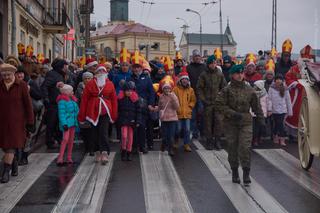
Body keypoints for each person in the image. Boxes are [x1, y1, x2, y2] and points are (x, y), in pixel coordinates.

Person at [215, 64, 264, 186]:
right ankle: (235, 171)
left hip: (245, 122)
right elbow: (219, 105)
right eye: (237, 73)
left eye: (242, 73)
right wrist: (232, 113)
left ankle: (246, 172)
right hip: (231, 123)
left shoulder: (249, 90)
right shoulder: (226, 90)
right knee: (232, 147)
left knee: (245, 147)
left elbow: (256, 106)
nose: (240, 75)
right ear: (232, 75)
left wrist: (261, 120)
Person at [0, 64, 34, 183]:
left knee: (10, 147)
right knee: (5, 147)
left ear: (13, 74)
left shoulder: (22, 85)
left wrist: (30, 122)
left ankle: (5, 172)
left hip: (17, 123)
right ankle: (14, 162)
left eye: (8, 75)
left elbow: (28, 105)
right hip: (2, 123)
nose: (6, 77)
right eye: (3, 75)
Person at [78, 65, 118, 165]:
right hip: (92, 112)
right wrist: (82, 115)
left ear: (106, 73)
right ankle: (97, 152)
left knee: (103, 132)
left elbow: (114, 100)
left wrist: (114, 114)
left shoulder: (110, 84)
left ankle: (104, 152)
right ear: (96, 73)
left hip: (105, 111)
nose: (101, 73)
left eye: (103, 71)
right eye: (99, 71)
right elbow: (84, 100)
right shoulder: (90, 84)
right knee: (94, 133)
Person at [41, 58, 74, 149]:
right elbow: (44, 87)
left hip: (61, 102)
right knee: (51, 123)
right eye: (65, 66)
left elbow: (70, 83)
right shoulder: (52, 74)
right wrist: (46, 99)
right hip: (53, 103)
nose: (66, 67)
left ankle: (59, 138)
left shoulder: (63, 74)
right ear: (60, 67)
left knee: (59, 122)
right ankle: (50, 141)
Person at [197, 55, 227, 150]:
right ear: (208, 64)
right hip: (208, 103)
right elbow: (199, 88)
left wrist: (222, 98)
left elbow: (224, 87)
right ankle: (209, 141)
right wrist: (203, 99)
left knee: (219, 122)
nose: (214, 65)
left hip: (218, 103)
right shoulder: (203, 74)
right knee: (208, 123)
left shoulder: (219, 74)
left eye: (215, 63)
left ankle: (217, 141)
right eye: (212, 63)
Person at [129, 57, 155, 153]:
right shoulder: (130, 78)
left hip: (144, 106)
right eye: (134, 67)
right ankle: (134, 146)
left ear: (141, 68)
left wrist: (150, 103)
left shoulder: (147, 78)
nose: (136, 69)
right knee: (134, 127)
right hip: (133, 106)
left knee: (142, 126)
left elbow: (151, 92)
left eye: (138, 67)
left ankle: (142, 146)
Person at [173, 69, 196, 152]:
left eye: (186, 79)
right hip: (178, 113)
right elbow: (172, 99)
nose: (185, 81)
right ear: (180, 80)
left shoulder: (190, 90)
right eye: (183, 79)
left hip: (187, 113)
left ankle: (186, 144)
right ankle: (176, 141)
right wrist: (176, 108)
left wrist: (190, 107)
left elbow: (193, 100)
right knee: (178, 129)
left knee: (187, 129)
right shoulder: (175, 89)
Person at [56, 84, 79, 165]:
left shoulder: (72, 100)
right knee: (65, 139)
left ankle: (69, 157)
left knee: (71, 140)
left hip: (72, 123)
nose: (72, 92)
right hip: (66, 124)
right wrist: (64, 123)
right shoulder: (62, 102)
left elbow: (76, 111)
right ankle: (60, 157)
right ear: (66, 92)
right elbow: (61, 113)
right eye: (71, 91)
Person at [268, 74, 293, 146]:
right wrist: (269, 109)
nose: (278, 81)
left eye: (280, 79)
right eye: (277, 79)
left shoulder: (285, 88)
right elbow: (269, 99)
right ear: (275, 80)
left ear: (282, 81)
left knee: (281, 124)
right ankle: (275, 136)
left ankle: (282, 138)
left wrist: (290, 111)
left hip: (283, 110)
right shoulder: (271, 88)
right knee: (276, 124)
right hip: (274, 110)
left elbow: (288, 100)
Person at [117, 81, 140, 161]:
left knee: (130, 137)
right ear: (124, 91)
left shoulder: (135, 100)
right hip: (123, 120)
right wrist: (118, 119)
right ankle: (123, 150)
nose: (129, 92)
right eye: (127, 91)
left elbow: (138, 111)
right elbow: (118, 110)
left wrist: (137, 121)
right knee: (124, 136)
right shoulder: (120, 99)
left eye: (130, 91)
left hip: (132, 120)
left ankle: (129, 152)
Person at [187, 49, 206, 140]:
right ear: (193, 57)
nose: (197, 58)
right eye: (195, 56)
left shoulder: (204, 67)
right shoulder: (188, 67)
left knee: (202, 114)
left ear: (200, 57)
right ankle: (194, 132)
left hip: (202, 94)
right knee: (193, 115)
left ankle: (202, 132)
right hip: (191, 94)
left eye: (198, 56)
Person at [158, 79, 180, 156]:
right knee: (164, 135)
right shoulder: (161, 97)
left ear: (170, 89)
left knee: (171, 135)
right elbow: (160, 107)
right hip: (164, 119)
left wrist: (173, 98)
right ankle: (164, 144)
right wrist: (156, 110)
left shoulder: (173, 96)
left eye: (168, 88)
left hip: (172, 119)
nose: (166, 90)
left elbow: (177, 107)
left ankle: (170, 149)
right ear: (163, 89)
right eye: (165, 88)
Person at [75, 71, 94, 155]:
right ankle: (87, 147)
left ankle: (92, 148)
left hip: (92, 111)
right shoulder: (79, 88)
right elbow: (77, 99)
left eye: (89, 78)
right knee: (84, 131)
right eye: (85, 78)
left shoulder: (95, 87)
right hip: (83, 111)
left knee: (92, 131)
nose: (87, 80)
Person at [251, 80, 268, 146]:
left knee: (260, 126)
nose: (254, 87)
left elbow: (268, 102)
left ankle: (259, 138)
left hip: (262, 112)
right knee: (254, 128)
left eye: (255, 86)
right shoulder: (252, 93)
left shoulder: (265, 94)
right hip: (253, 113)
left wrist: (269, 110)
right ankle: (254, 139)